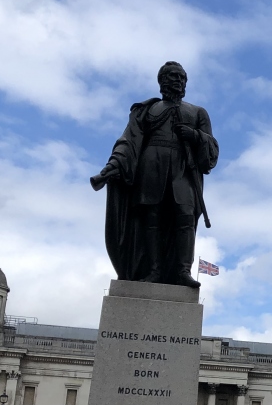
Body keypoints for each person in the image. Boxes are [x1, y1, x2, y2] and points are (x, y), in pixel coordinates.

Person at [90, 61, 219, 287]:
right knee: (152, 218)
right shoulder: (147, 110)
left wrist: (195, 136)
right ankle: (154, 271)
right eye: (173, 76)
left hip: (183, 169)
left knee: (185, 216)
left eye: (182, 77)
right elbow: (129, 141)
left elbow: (211, 149)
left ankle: (182, 271)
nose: (178, 81)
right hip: (151, 167)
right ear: (162, 81)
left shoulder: (197, 112)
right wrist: (114, 164)